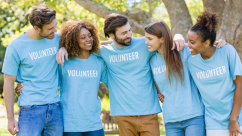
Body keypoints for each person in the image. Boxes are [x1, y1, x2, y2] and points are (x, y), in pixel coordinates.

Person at [56, 13, 186, 136]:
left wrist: (177, 36)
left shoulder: (145, 44)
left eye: (129, 30)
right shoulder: (103, 52)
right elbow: (82, 45)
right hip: (123, 115)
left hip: (149, 112)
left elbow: (164, 43)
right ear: (111, 35)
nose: (129, 34)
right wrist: (63, 47)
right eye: (124, 33)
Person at [2, 4, 63, 136]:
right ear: (36, 28)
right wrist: (11, 118)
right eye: (50, 28)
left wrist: (63, 47)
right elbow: (8, 83)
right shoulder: (15, 47)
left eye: (55, 25)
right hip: (30, 110)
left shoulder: (57, 38)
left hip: (55, 108)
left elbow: (89, 44)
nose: (55, 30)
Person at [144, 21, 205, 136]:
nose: (146, 42)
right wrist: (159, 94)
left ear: (162, 39)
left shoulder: (183, 51)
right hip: (170, 120)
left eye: (150, 39)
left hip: (193, 116)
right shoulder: (152, 62)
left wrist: (220, 43)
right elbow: (159, 87)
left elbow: (205, 48)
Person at [187, 10, 242, 136]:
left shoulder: (227, 51)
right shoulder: (191, 60)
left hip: (237, 118)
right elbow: (172, 46)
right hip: (213, 122)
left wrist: (233, 119)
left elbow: (240, 85)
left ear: (206, 43)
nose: (188, 45)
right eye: (188, 40)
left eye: (192, 42)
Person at [58, 20, 108, 136]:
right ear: (74, 40)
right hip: (70, 123)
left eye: (90, 36)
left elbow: (112, 83)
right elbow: (51, 85)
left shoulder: (98, 62)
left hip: (94, 122)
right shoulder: (64, 62)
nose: (88, 39)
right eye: (83, 37)